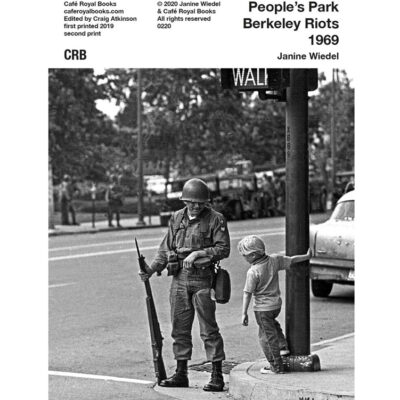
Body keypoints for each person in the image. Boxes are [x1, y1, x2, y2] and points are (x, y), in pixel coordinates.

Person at [139, 178, 230, 392]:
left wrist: (200, 252)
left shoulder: (216, 219)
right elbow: (165, 249)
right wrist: (150, 270)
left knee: (209, 330)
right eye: (192, 202)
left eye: (201, 203)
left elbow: (223, 249)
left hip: (203, 280)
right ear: (185, 201)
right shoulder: (177, 218)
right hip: (179, 280)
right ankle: (181, 373)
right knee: (179, 329)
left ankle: (217, 375)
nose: (196, 206)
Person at [238, 235, 312, 374]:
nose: (244, 258)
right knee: (273, 326)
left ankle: (276, 366)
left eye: (245, 255)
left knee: (266, 337)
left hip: (262, 309)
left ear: (253, 255)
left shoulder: (253, 272)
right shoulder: (275, 260)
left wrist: (244, 313)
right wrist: (306, 256)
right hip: (275, 306)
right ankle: (283, 347)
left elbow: (247, 293)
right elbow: (292, 260)